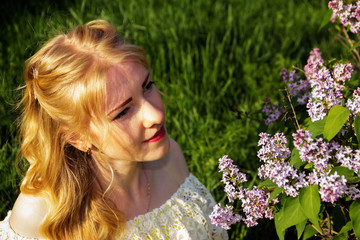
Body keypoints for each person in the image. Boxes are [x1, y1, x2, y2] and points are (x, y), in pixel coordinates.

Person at [0, 20, 228, 239]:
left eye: (147, 86)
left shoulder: (171, 161)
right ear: (77, 137)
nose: (156, 115)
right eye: (122, 112)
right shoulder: (41, 216)